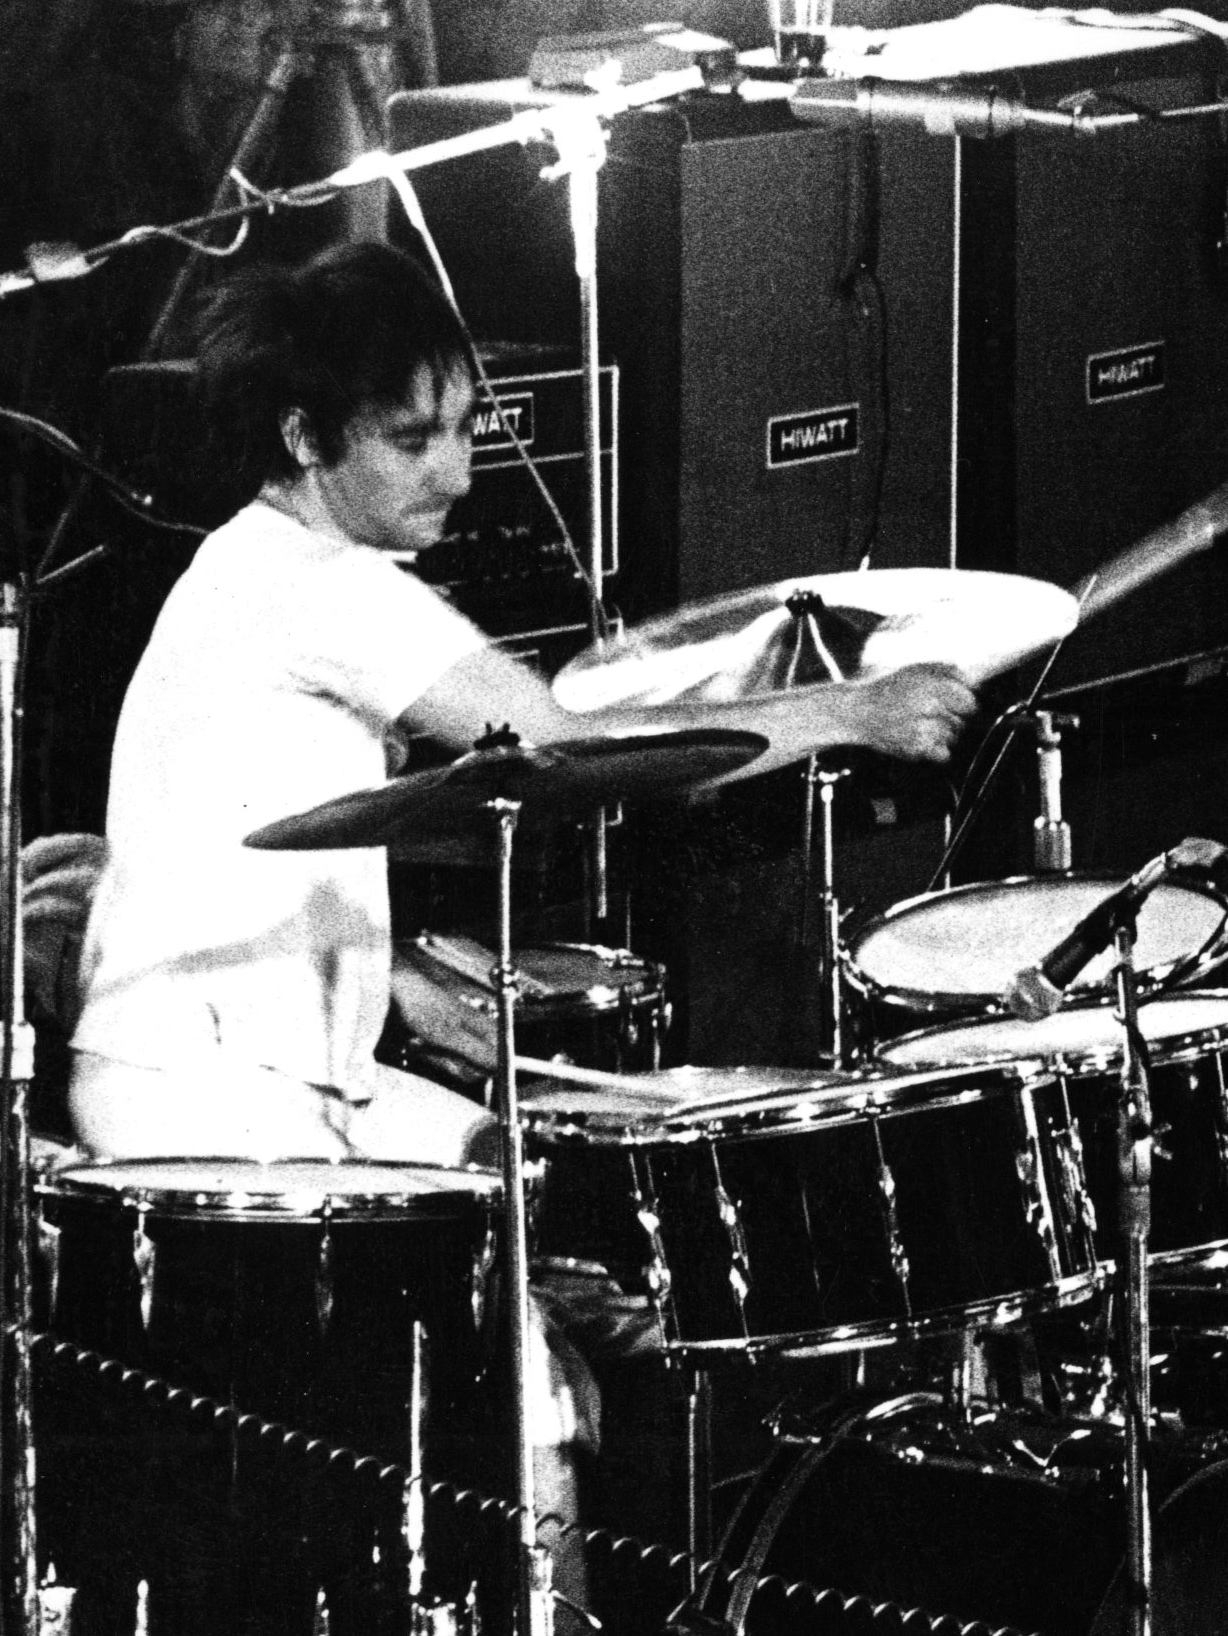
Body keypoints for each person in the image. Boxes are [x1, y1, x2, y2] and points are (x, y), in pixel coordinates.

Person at [70, 238, 973, 1168]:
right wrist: (851, 711)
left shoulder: (246, 561)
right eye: (413, 441)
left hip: (232, 1067)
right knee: (503, 1245)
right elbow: (562, 748)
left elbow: (240, 855)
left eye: (467, 430)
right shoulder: (322, 583)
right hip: (200, 1091)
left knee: (515, 1166)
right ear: (303, 438)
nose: (457, 475)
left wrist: (390, 988)